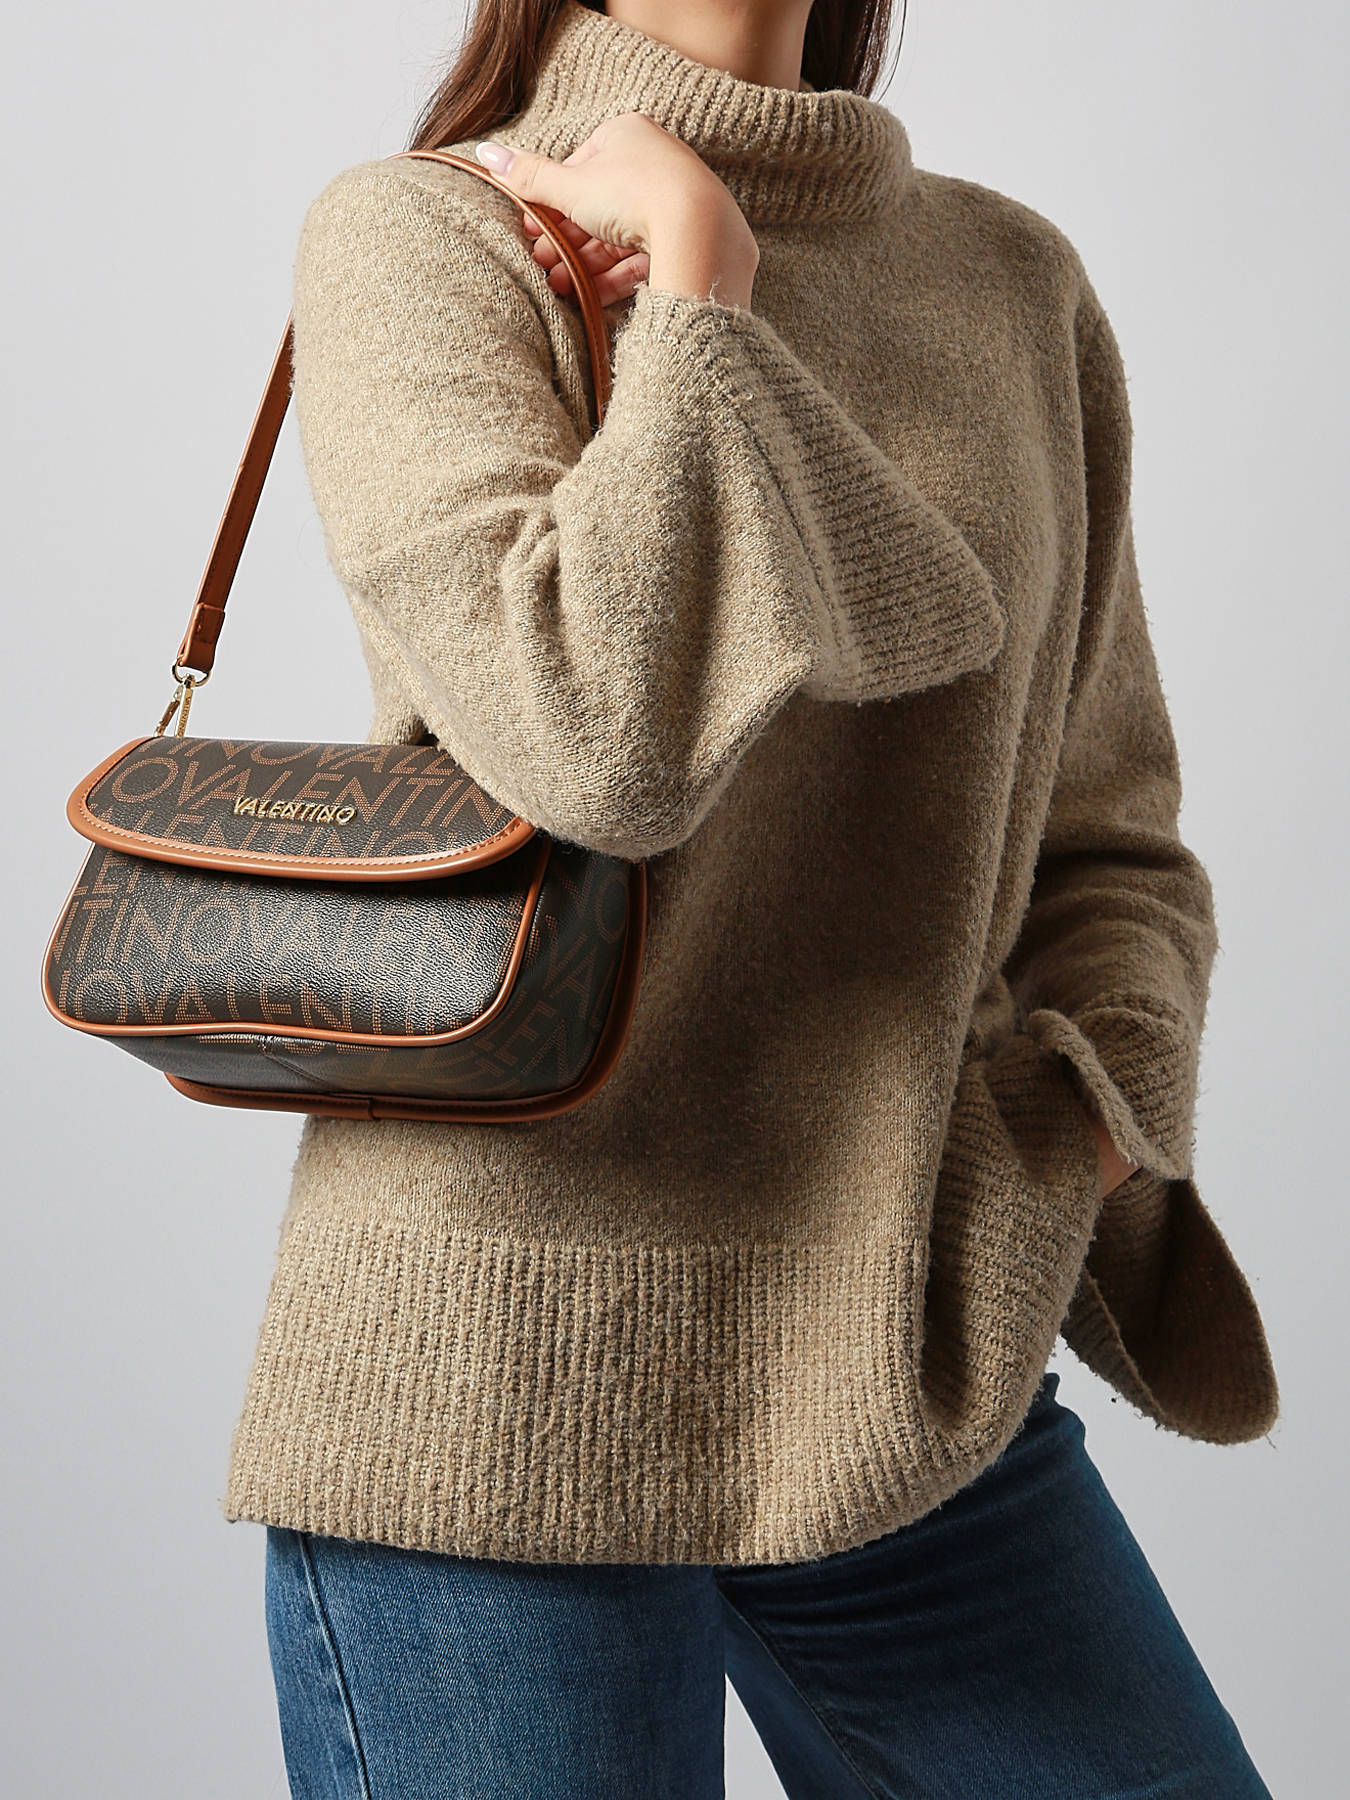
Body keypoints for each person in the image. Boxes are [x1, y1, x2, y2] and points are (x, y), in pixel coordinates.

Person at [235, 3, 1279, 1793]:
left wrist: (1093, 1121)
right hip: (491, 1389)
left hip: (907, 1361)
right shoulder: (426, 233)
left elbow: (1105, 835)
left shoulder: (1011, 281)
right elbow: (594, 743)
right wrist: (701, 295)